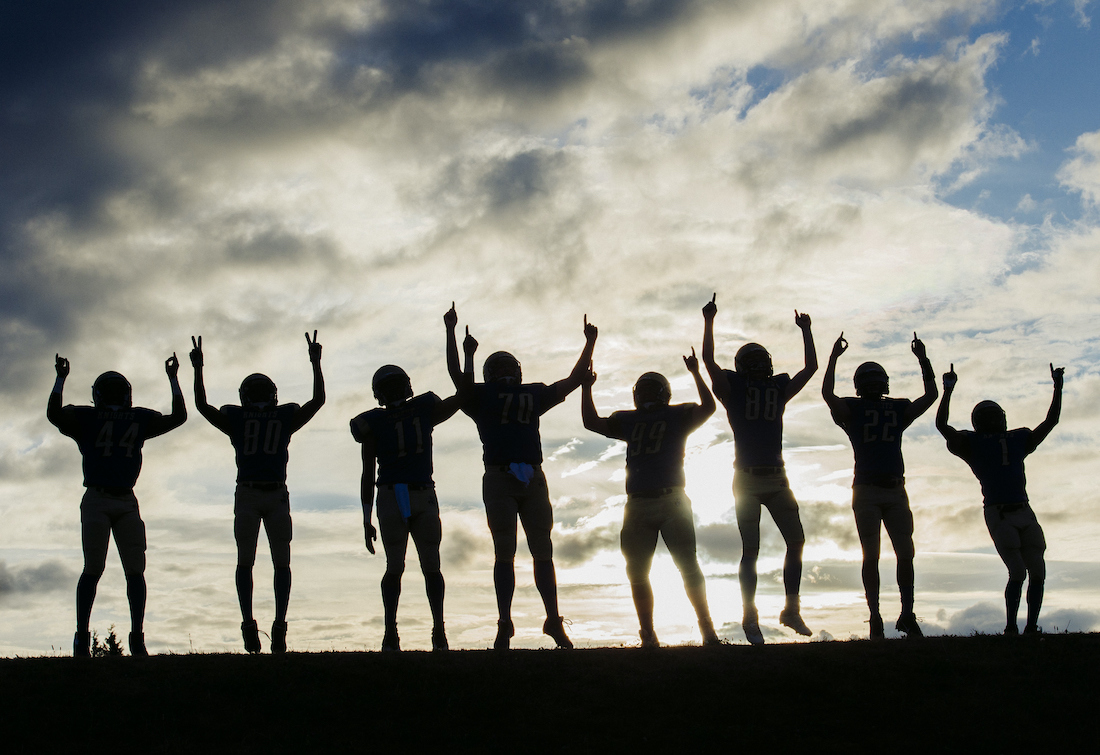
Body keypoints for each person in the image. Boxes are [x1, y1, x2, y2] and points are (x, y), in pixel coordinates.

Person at [445, 304, 597, 650]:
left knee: (543, 550)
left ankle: (552, 620)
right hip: (500, 476)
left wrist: (589, 344)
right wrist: (453, 334)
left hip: (532, 476)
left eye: (506, 365)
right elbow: (458, 376)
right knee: (505, 552)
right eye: (495, 366)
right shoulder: (481, 396)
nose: (502, 370)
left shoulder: (531, 392)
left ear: (517, 370)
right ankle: (505, 622)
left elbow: (572, 382)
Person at [190, 332, 325, 654]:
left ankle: (251, 623)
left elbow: (201, 406)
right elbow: (317, 401)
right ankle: (278, 625)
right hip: (274, 493)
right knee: (279, 563)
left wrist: (198, 369)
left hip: (250, 493)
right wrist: (316, 363)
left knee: (247, 563)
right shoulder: (283, 415)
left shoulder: (237, 418)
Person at [48, 352, 187, 657]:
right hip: (118, 498)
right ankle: (130, 637)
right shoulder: (137, 418)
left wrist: (61, 379)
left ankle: (86, 638)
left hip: (106, 498)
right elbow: (179, 418)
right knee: (127, 571)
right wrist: (173, 380)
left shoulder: (87, 417)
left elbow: (54, 415)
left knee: (102, 569)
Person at [581, 350, 721, 647]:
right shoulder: (664, 416)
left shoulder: (650, 418)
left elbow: (591, 422)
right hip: (648, 502)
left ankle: (703, 628)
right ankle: (651, 633)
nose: (645, 395)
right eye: (642, 390)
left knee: (683, 566)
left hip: (662, 500)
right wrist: (586, 387)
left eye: (649, 390)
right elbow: (592, 422)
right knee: (643, 571)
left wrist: (586, 387)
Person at [701, 294, 817, 645]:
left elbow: (810, 370)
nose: (756, 365)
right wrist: (806, 331)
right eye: (751, 360)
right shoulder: (740, 388)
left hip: (773, 476)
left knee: (795, 541)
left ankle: (790, 609)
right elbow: (707, 360)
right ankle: (750, 616)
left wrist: (807, 330)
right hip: (750, 478)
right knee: (752, 549)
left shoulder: (766, 387)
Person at [822, 332, 937, 639]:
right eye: (870, 379)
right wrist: (923, 359)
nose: (874, 384)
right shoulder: (872, 408)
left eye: (876, 379)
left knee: (904, 553)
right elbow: (930, 396)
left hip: (890, 489)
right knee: (873, 555)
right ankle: (876, 616)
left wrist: (923, 359)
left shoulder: (889, 408)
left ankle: (905, 613)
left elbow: (930, 397)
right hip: (872, 490)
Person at [936, 362, 1064, 635]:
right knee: (1019, 572)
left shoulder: (1003, 440)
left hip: (1021, 510)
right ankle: (1011, 627)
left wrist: (1058, 388)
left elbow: (1051, 422)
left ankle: (1030, 627)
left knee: (1037, 573)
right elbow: (942, 425)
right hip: (1000, 512)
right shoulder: (977, 443)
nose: (996, 420)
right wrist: (946, 391)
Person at [350, 363, 462, 651]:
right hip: (417, 492)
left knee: (400, 567)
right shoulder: (423, 407)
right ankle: (435, 631)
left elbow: (366, 473)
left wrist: (365, 518)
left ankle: (396, 632)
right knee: (427, 566)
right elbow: (460, 399)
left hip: (392, 494)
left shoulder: (373, 421)